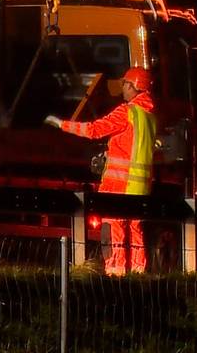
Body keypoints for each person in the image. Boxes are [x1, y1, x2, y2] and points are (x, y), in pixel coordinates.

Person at [45, 66, 157, 275]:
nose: (122, 87)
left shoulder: (127, 112)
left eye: (125, 83)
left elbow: (95, 130)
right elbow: (134, 147)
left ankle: (115, 275)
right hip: (140, 187)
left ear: (133, 87)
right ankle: (139, 276)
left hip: (118, 186)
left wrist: (62, 125)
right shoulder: (149, 117)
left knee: (113, 230)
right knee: (135, 232)